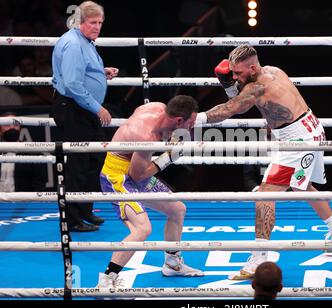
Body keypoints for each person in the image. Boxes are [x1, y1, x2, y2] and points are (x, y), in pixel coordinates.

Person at [196, 45, 332, 280]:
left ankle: (258, 258)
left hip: (298, 141)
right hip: (311, 127)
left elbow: (230, 109)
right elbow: (264, 104)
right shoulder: (274, 70)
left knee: (265, 195)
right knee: (301, 185)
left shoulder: (257, 87)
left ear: (252, 67)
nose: (234, 77)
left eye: (237, 73)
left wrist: (194, 120)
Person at [96, 95, 204, 289]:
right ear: (180, 120)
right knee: (142, 228)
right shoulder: (146, 136)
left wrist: (170, 137)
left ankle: (172, 264)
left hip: (136, 169)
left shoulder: (158, 107)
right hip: (118, 177)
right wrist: (168, 158)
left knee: (177, 210)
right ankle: (107, 279)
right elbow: (136, 176)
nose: (190, 128)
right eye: (190, 123)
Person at [51, 1, 118, 232]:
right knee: (79, 164)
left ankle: (84, 210)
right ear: (80, 22)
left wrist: (102, 72)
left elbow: (82, 71)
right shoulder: (73, 44)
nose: (97, 27)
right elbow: (72, 84)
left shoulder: (85, 41)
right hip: (75, 109)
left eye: (100, 22)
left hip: (83, 109)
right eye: (93, 23)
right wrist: (97, 108)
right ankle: (72, 219)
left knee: (94, 160)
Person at [0, 112, 47, 192]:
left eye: (15, 124)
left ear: (20, 128)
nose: (12, 127)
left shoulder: (32, 152)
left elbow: (39, 184)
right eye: (7, 125)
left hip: (22, 203)